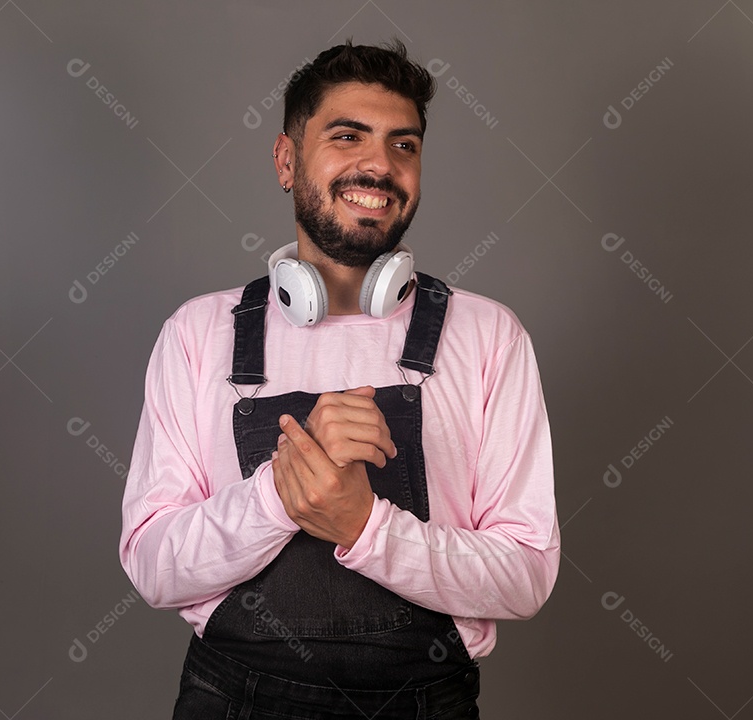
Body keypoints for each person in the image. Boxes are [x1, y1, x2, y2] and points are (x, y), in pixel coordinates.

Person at [119, 38, 560, 719]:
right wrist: (280, 495)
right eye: (347, 136)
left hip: (423, 703)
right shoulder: (199, 333)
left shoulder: (488, 336)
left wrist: (365, 524)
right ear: (286, 160)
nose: (379, 165)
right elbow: (153, 567)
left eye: (403, 145)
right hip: (234, 700)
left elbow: (525, 577)